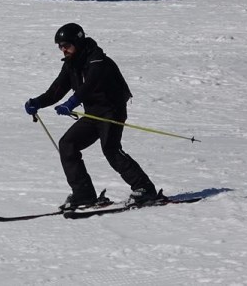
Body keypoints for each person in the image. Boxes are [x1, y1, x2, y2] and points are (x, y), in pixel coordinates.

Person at [24, 23, 158, 210]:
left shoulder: (97, 60)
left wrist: (72, 102)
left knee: (110, 149)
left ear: (77, 42)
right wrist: (37, 102)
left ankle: (145, 189)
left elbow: (91, 84)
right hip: (93, 113)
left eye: (66, 45)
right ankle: (84, 194)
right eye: (60, 46)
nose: (63, 49)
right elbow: (56, 90)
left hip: (112, 111)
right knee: (67, 144)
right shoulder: (71, 64)